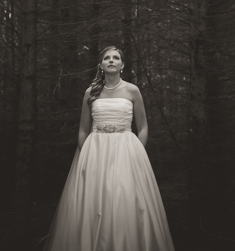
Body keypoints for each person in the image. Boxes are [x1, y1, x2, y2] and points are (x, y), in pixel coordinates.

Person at [43, 45, 176, 251]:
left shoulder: (133, 90)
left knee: (125, 200)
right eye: (107, 58)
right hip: (96, 152)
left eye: (116, 58)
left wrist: (136, 154)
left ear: (122, 65)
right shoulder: (91, 92)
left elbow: (143, 127)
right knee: (95, 204)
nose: (111, 60)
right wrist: (86, 156)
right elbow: (82, 130)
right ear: (101, 65)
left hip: (126, 151)